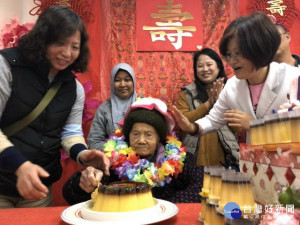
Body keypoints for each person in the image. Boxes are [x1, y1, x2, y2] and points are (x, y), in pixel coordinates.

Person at [0, 6, 109, 208]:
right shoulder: (6, 66)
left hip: (38, 190)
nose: (67, 53)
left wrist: (83, 154)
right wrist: (20, 166)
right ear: (42, 38)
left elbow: (70, 132)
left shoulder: (74, 87)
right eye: (60, 43)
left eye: (74, 47)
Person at [170, 11, 300, 144]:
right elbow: (214, 119)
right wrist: (192, 127)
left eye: (238, 53)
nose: (232, 61)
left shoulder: (294, 78)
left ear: (259, 49)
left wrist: (255, 126)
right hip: (255, 161)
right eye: (229, 55)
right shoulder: (233, 85)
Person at [63, 98, 203, 204]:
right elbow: (69, 193)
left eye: (148, 134)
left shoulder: (181, 160)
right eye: (135, 134)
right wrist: (81, 184)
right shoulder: (114, 162)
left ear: (159, 138)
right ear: (128, 136)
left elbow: (201, 186)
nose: (141, 140)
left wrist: (162, 207)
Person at [176, 48, 239, 168]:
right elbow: (184, 120)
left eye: (209, 64)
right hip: (194, 157)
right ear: (195, 70)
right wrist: (208, 104)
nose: (205, 69)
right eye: (200, 66)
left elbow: (238, 128)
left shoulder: (231, 89)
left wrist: (222, 102)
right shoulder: (187, 93)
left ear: (219, 67)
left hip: (226, 156)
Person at [88, 63, 137, 150]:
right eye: (117, 80)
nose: (122, 84)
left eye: (127, 80)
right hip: (112, 160)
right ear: (112, 83)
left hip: (142, 161)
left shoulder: (144, 105)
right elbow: (94, 142)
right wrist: (116, 150)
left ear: (133, 81)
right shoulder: (104, 109)